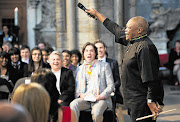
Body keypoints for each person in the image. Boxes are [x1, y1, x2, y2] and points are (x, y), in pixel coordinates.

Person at [86, 9, 164, 122]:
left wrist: (151, 100)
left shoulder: (145, 47)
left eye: (128, 28)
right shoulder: (133, 39)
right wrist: (97, 14)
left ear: (139, 30)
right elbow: (115, 29)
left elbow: (151, 77)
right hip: (133, 100)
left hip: (142, 101)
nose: (125, 30)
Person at [70, 42, 114, 122]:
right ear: (83, 54)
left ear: (95, 53)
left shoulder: (104, 66)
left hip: (100, 99)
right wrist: (81, 95)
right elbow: (77, 88)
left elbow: (111, 86)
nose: (89, 53)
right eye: (86, 51)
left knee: (96, 112)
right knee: (73, 105)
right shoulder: (80, 68)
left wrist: (100, 96)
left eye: (91, 51)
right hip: (85, 99)